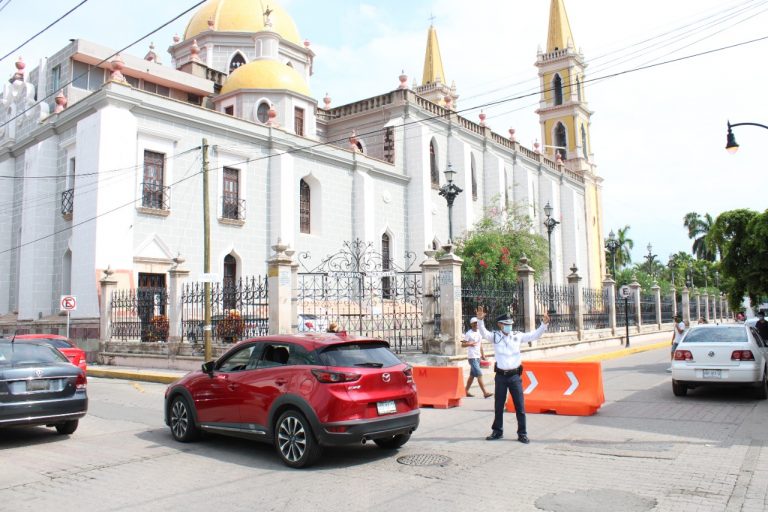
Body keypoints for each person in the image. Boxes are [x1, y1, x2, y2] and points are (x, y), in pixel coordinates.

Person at [475, 305, 549, 444]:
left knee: (520, 406)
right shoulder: (495, 336)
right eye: (506, 324)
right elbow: (484, 333)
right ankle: (497, 431)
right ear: (500, 325)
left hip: (515, 376)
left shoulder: (517, 336)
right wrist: (480, 321)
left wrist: (544, 324)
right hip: (501, 376)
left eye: (510, 324)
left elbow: (534, 335)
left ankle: (522, 433)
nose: (509, 327)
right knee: (498, 406)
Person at [462, 317, 493, 399]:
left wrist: (483, 355)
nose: (476, 325)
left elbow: (480, 345)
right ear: (471, 324)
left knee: (472, 376)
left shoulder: (479, 332)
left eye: (477, 323)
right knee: (479, 374)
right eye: (474, 323)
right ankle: (485, 392)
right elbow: (463, 345)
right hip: (472, 357)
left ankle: (465, 391)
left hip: (478, 357)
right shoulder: (469, 333)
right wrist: (469, 344)